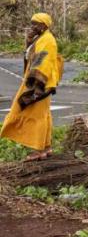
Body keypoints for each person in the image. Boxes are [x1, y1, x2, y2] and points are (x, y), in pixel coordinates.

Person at [0, 13, 63, 160]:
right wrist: (28, 42)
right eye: (32, 23)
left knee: (35, 115)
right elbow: (32, 57)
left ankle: (38, 149)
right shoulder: (41, 38)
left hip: (39, 83)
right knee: (42, 114)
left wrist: (34, 85)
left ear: (44, 25)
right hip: (41, 82)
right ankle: (46, 147)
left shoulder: (47, 40)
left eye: (36, 24)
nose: (32, 26)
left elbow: (43, 62)